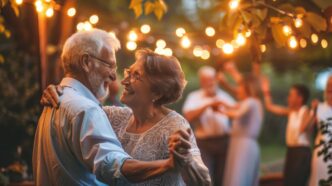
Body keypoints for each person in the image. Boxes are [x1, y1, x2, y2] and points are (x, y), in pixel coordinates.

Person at [33, 29, 193, 186]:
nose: (115, 77)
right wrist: (167, 165)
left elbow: (202, 177)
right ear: (86, 62)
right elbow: (112, 167)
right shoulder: (86, 110)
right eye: (109, 65)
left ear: (157, 92)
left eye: (135, 75)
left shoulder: (59, 101)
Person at [182, 66, 235, 186]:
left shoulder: (224, 96)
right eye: (206, 80)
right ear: (201, 81)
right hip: (204, 143)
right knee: (205, 177)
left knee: (223, 176)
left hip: (224, 141)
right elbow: (188, 116)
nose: (210, 82)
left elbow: (239, 113)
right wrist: (208, 104)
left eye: (212, 79)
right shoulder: (194, 96)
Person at [217, 63, 263, 186]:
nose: (238, 89)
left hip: (245, 145)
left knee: (239, 176)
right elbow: (233, 107)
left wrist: (221, 111)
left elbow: (237, 114)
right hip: (238, 143)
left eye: (240, 86)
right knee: (235, 174)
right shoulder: (247, 102)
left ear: (247, 88)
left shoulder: (251, 102)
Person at [261, 78, 311, 186]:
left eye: (291, 95)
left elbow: (303, 129)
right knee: (288, 181)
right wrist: (266, 90)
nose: (288, 98)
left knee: (296, 182)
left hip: (302, 153)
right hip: (292, 151)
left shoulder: (306, 111)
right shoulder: (290, 112)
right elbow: (270, 107)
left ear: (300, 98)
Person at [302, 75, 332, 186]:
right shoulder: (318, 107)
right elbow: (304, 129)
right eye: (328, 85)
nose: (330, 87)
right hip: (321, 154)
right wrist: (313, 111)